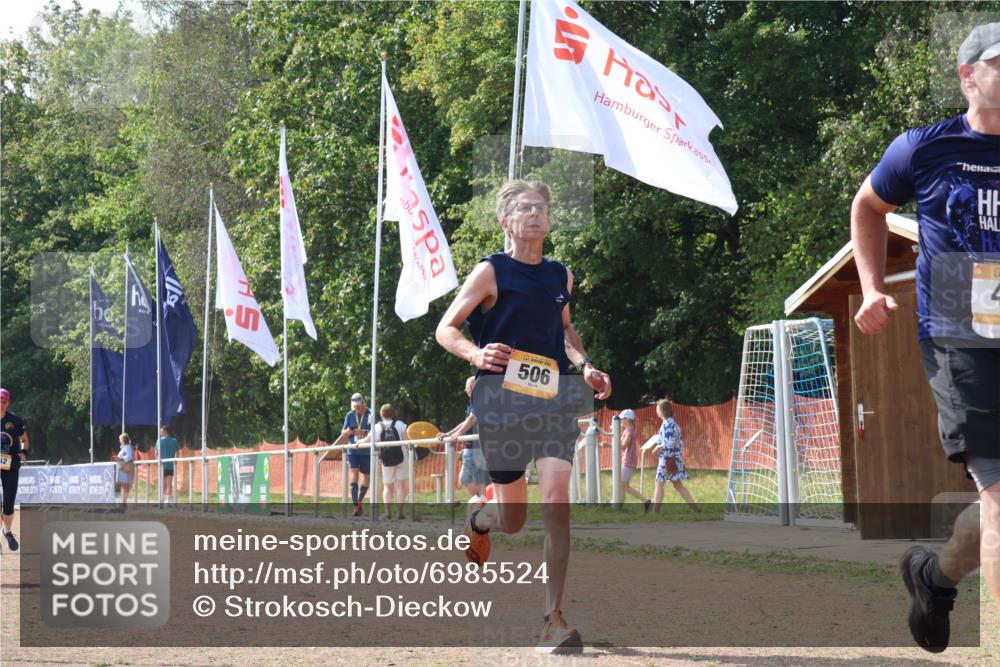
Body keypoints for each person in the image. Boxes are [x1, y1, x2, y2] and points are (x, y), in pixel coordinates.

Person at [850, 22, 1000, 653]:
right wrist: (872, 285)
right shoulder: (923, 148)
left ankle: (935, 578)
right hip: (960, 338)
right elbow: (867, 207)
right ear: (969, 76)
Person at [436, 179, 612, 654]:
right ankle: (481, 519)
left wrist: (586, 365)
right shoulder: (490, 273)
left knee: (557, 502)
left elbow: (566, 330)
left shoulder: (561, 276)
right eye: (524, 208)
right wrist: (475, 355)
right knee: (513, 519)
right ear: (505, 221)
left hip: (554, 400)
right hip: (502, 404)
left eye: (541, 208)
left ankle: (553, 618)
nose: (535, 214)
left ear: (549, 221)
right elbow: (445, 328)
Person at [437, 376, 488, 499]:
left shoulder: (478, 400)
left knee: (464, 479)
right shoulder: (479, 400)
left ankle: (479, 500)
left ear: (470, 387)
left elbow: (472, 419)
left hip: (474, 447)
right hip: (479, 446)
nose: (465, 390)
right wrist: (449, 433)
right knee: (480, 480)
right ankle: (483, 505)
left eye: (466, 387)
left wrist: (458, 434)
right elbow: (466, 421)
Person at [360, 404, 409, 520]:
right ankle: (400, 512)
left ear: (381, 415)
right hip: (402, 457)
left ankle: (387, 513)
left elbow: (367, 440)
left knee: (388, 486)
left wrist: (357, 443)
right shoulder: (400, 425)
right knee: (400, 485)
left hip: (386, 459)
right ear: (393, 414)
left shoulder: (377, 427)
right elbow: (407, 440)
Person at [652, 400, 699, 513]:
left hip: (668, 459)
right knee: (678, 485)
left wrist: (659, 447)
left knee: (659, 484)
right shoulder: (673, 423)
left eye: (657, 408)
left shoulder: (667, 424)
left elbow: (670, 443)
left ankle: (655, 512)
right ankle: (695, 509)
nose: (656, 410)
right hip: (675, 458)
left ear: (662, 410)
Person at [0, 388, 29, 552]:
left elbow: (24, 439)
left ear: (8, 403)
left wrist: (23, 452)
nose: (1, 404)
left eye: (3, 402)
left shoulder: (15, 421)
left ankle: (7, 531)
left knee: (9, 505)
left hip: (11, 465)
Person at [341, 392, 372, 516]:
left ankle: (359, 501)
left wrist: (363, 432)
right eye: (355, 406)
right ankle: (356, 506)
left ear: (363, 403)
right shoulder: (350, 414)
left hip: (366, 450)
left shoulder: (370, 414)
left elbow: (375, 431)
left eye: (358, 406)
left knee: (367, 478)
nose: (357, 408)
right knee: (354, 474)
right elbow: (343, 432)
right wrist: (348, 431)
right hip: (353, 450)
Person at [618, 409, 651, 512]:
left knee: (623, 485)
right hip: (626, 460)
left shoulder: (629, 431)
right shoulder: (628, 430)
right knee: (624, 486)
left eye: (621, 419)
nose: (620, 421)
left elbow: (623, 446)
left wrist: (613, 439)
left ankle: (646, 501)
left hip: (628, 461)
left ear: (627, 419)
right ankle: (620, 507)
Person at [155, 425, 179, 504]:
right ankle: (168, 499)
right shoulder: (174, 440)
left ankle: (164, 498)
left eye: (161, 431)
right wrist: (175, 462)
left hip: (162, 465)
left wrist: (157, 460)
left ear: (165, 431)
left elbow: (156, 453)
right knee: (169, 483)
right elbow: (177, 453)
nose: (160, 433)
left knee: (163, 483)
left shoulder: (159, 441)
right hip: (171, 465)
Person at [116, 433, 135, 507]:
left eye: (120, 439)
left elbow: (129, 456)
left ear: (123, 439)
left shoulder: (127, 447)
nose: (119, 441)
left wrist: (120, 458)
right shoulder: (125, 447)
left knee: (125, 485)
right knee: (124, 485)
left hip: (125, 468)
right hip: (123, 468)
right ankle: (123, 502)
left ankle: (124, 503)